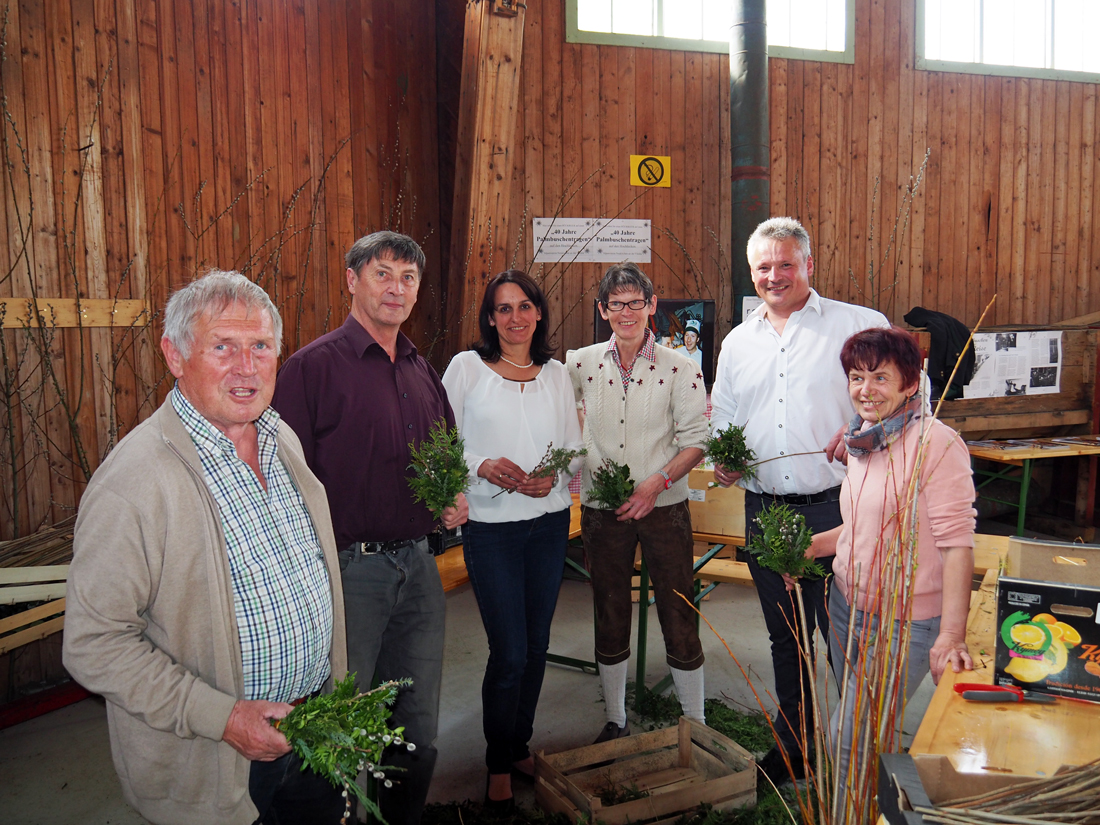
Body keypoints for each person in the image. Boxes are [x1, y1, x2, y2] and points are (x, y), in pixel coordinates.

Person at [63, 271, 348, 825]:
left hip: (314, 730)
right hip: (215, 759)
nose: (247, 367)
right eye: (223, 347)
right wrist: (221, 717)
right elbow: (93, 644)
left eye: (261, 346)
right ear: (174, 355)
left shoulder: (280, 437)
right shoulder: (134, 481)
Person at [272, 231, 468, 825]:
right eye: (382, 273)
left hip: (418, 566)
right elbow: (278, 476)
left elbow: (446, 452)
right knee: (339, 722)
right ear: (352, 279)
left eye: (407, 277)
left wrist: (452, 494)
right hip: (348, 571)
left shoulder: (418, 367)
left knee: (416, 725)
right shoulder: (312, 369)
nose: (396, 287)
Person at [709, 216, 889, 784]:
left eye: (786, 263)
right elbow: (723, 415)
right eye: (763, 267)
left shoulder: (858, 325)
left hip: (840, 508)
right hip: (766, 511)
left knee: (844, 636)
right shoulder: (738, 341)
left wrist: (865, 430)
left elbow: (911, 398)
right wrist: (724, 455)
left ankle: (860, 755)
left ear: (809, 264)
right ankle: (794, 750)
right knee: (784, 636)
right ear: (751, 272)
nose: (774, 275)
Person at [809, 326, 975, 803]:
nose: (866, 389)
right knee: (862, 730)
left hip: (906, 621)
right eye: (857, 376)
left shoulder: (937, 445)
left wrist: (951, 633)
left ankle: (844, 814)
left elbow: (957, 545)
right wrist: (813, 548)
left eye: (881, 377)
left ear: (910, 383)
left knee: (847, 738)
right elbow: (865, 524)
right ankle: (870, 804)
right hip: (847, 607)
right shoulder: (865, 441)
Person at [441, 270, 584, 808]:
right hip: (491, 529)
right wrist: (481, 464)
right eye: (503, 309)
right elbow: (439, 438)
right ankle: (497, 761)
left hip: (547, 522)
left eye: (525, 306)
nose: (516, 317)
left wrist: (553, 471)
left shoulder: (555, 373)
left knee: (539, 644)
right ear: (490, 318)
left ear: (539, 313)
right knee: (509, 651)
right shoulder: (466, 369)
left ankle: (518, 742)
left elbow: (573, 443)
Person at [568, 262, 709, 742]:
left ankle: (696, 721)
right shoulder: (580, 363)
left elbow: (696, 441)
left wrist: (655, 483)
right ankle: (615, 718)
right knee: (609, 608)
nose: (626, 312)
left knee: (678, 606)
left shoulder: (681, 368)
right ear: (602, 310)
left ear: (651, 306)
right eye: (616, 304)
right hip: (602, 510)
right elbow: (560, 422)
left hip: (665, 506)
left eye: (636, 303)